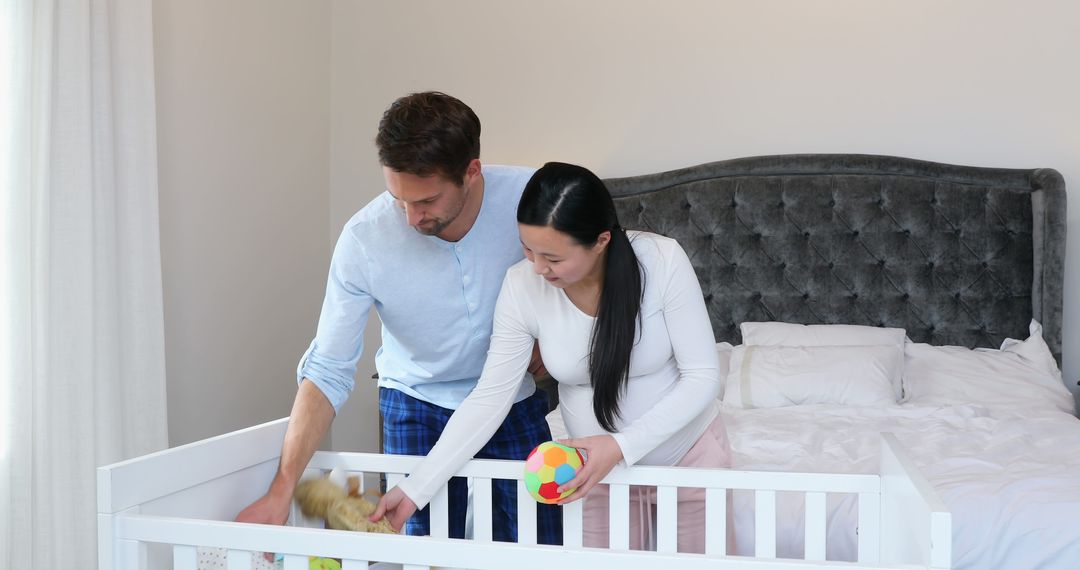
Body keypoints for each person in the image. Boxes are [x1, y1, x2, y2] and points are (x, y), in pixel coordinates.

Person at [235, 92, 562, 545]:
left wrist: (555, 338)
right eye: (398, 199)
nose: (410, 218)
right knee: (423, 549)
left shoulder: (532, 200)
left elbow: (589, 271)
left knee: (542, 543)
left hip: (511, 395)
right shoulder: (363, 240)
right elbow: (327, 369)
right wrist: (281, 490)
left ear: (472, 170)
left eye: (426, 201)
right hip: (415, 398)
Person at [372, 162, 732, 553]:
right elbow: (491, 397)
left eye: (554, 258)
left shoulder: (660, 261)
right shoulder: (521, 285)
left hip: (688, 460)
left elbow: (702, 377)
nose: (538, 268)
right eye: (528, 249)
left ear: (601, 240)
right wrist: (414, 490)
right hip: (592, 475)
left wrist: (620, 446)